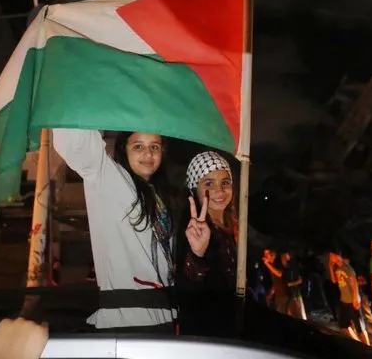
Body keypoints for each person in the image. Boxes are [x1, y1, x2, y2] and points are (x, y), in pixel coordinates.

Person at [53, 129, 177, 331]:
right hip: (127, 323)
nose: (148, 154)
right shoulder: (109, 178)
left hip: (163, 322)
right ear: (123, 149)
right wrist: (79, 100)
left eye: (154, 146)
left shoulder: (160, 197)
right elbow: (77, 142)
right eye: (138, 146)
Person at [176, 151, 238, 337]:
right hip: (206, 334)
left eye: (225, 182)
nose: (219, 191)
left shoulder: (234, 225)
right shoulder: (194, 228)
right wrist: (197, 254)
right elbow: (187, 287)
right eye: (209, 184)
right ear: (195, 189)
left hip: (233, 327)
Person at [329, 250, 370, 345]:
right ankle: (360, 344)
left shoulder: (347, 267)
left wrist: (355, 298)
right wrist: (330, 267)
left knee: (360, 327)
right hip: (344, 300)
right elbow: (334, 281)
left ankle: (368, 349)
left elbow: (355, 282)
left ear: (338, 256)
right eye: (330, 257)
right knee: (344, 326)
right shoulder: (337, 268)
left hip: (352, 300)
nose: (331, 258)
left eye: (332, 256)